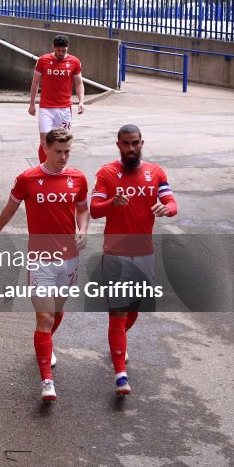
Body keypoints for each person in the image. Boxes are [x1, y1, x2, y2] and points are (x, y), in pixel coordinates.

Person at [0, 128, 89, 403]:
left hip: (69, 259)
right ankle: (47, 382)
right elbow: (10, 207)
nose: (63, 157)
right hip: (40, 260)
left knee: (56, 313)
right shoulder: (28, 179)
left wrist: (83, 229)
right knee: (44, 318)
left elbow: (82, 208)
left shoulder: (78, 178)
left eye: (67, 152)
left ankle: (44, 345)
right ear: (45, 148)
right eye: (58, 151)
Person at [90, 124, 177, 396]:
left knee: (134, 308)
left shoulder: (156, 173)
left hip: (144, 253)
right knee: (118, 313)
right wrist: (111, 204)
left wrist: (167, 208)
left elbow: (171, 203)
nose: (131, 148)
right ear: (118, 144)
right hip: (115, 253)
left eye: (135, 143)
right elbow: (94, 210)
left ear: (142, 143)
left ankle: (119, 340)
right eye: (126, 144)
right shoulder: (106, 173)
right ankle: (120, 375)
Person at [28, 34, 85, 164]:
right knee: (45, 141)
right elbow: (35, 82)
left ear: (67, 48)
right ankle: (43, 168)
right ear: (54, 48)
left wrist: (81, 101)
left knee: (63, 141)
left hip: (64, 108)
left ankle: (60, 167)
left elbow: (79, 83)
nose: (61, 53)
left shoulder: (74, 62)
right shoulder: (43, 60)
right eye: (58, 50)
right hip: (46, 108)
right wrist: (32, 104)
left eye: (63, 50)